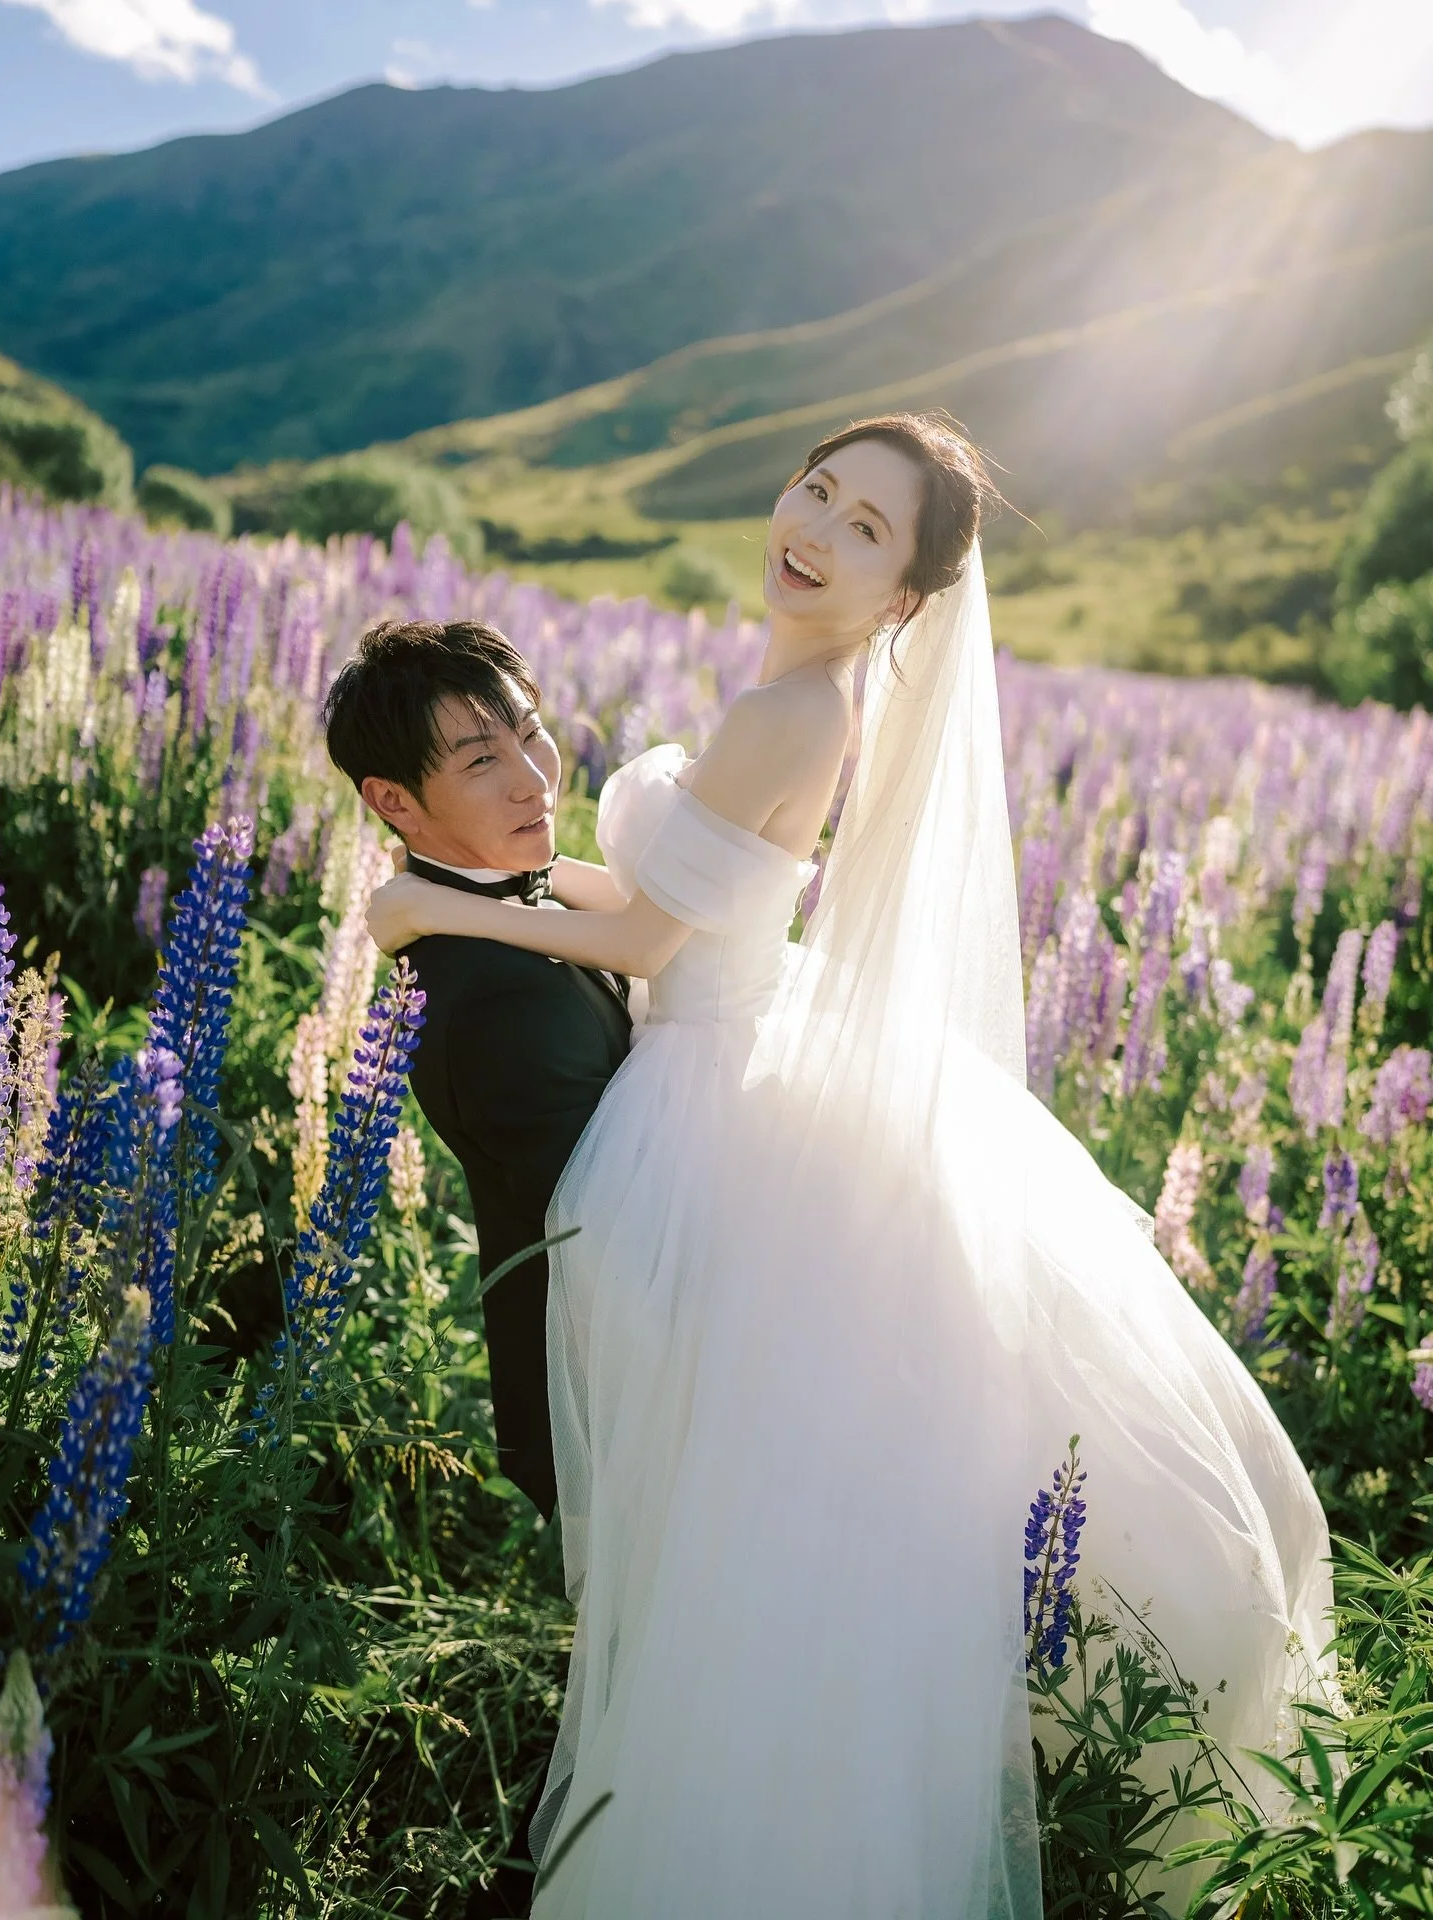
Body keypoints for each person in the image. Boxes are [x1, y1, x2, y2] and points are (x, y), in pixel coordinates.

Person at [366, 415, 1337, 1918]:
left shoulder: (797, 710)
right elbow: (664, 889)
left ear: (904, 597)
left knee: (750, 1513)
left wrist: (439, 912)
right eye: (818, 488)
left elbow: (640, 944)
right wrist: (471, 882)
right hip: (738, 1048)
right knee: (770, 1501)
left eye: (867, 528)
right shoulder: (809, 691)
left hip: (707, 1092)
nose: (814, 526)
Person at [323, 619, 632, 1917]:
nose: (534, 778)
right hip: (622, 1388)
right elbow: (628, 1225)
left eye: (531, 732)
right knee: (659, 1705)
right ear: (395, 803)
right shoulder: (488, 1000)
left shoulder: (512, 915)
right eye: (481, 758)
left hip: (636, 1366)